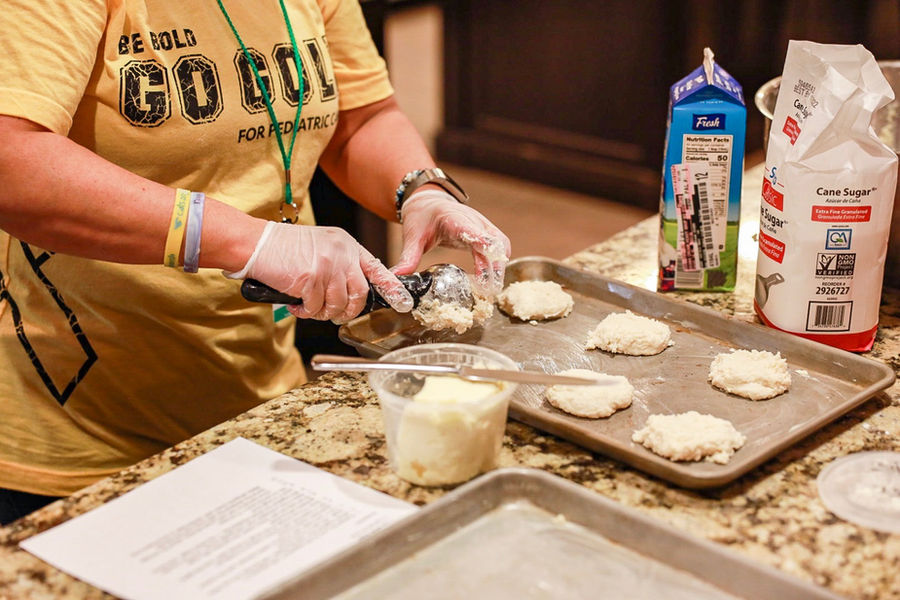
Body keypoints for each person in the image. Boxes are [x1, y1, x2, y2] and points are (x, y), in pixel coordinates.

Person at [0, 0, 510, 525]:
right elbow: (12, 165)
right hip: (80, 425)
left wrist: (421, 190)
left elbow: (362, 119)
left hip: (257, 391)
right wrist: (251, 242)